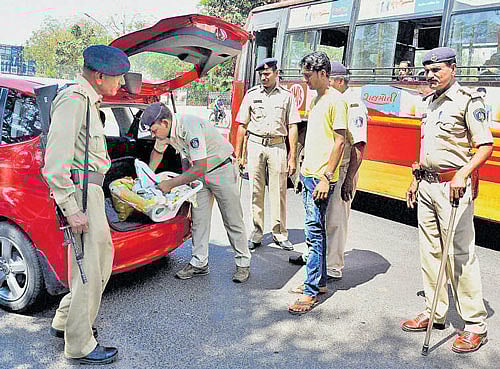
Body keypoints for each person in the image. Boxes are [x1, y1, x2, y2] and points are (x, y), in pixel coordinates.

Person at [43, 45, 130, 365]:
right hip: (80, 195)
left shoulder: (88, 102)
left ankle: (65, 321)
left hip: (89, 192)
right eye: (118, 78)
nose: (120, 84)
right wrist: (71, 208)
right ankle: (79, 344)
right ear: (100, 75)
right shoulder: (74, 101)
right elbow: (54, 164)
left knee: (96, 265)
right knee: (89, 272)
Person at [403, 47, 493, 353]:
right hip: (427, 186)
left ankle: (475, 325)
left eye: (436, 70)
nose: (430, 76)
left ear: (452, 68)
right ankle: (435, 313)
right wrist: (415, 179)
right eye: (427, 71)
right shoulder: (429, 102)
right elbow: (426, 146)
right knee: (430, 252)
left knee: (460, 255)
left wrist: (462, 175)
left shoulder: (468, 101)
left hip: (452, 188)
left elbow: (484, 146)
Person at [144, 102, 251, 283]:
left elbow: (200, 166)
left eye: (154, 131)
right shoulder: (165, 132)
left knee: (232, 219)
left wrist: (171, 184)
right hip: (199, 174)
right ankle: (199, 262)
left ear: (164, 122)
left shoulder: (189, 125)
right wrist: (146, 176)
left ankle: (243, 264)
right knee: (199, 220)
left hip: (220, 170)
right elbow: (157, 152)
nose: (153, 135)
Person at [288, 62, 367, 281]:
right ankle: (313, 256)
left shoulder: (352, 105)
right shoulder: (321, 99)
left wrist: (349, 178)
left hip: (339, 171)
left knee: (335, 220)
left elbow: (358, 145)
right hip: (321, 170)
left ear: (338, 81)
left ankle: (332, 266)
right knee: (316, 219)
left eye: (331, 80)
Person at [288, 51, 347, 314]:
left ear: (323, 73)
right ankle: (319, 282)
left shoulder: (337, 101)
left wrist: (325, 177)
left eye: (308, 75)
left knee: (313, 235)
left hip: (321, 179)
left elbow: (340, 141)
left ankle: (310, 291)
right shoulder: (317, 99)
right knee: (317, 232)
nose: (306, 81)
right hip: (309, 175)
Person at [235, 57, 301, 252]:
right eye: (261, 74)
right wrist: (239, 155)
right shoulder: (251, 94)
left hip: (278, 146)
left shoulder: (286, 96)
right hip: (255, 145)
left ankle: (280, 233)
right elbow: (242, 126)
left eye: (267, 73)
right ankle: (256, 232)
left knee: (279, 191)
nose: (263, 77)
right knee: (256, 191)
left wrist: (292, 156)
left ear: (276, 73)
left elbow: (292, 127)